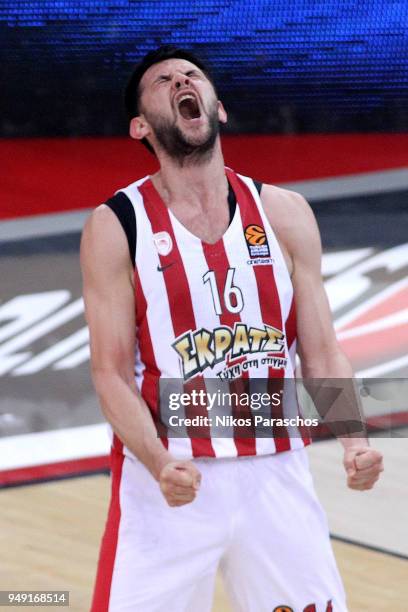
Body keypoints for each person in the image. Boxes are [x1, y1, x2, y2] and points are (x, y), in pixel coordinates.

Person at [80, 45, 384, 612]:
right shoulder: (116, 225)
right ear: (139, 125)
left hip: (276, 473)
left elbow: (321, 355)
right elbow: (111, 374)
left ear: (217, 109)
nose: (181, 82)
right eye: (163, 81)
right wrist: (157, 460)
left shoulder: (285, 212)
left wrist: (354, 441)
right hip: (170, 477)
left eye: (191, 76)